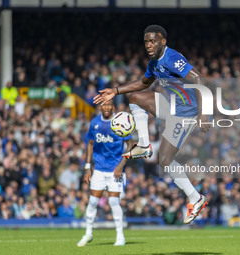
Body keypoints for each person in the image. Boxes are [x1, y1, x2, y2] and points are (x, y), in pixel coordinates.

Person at [93, 25, 211, 224]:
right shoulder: (154, 62)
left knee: (164, 160)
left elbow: (198, 78)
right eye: (146, 41)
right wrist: (116, 90)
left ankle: (195, 197)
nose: (148, 45)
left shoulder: (171, 57)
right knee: (135, 98)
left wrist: (204, 112)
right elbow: (144, 83)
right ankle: (144, 145)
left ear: (163, 41)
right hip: (172, 107)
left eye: (153, 41)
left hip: (186, 113)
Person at [77, 100, 133, 247]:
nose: (107, 107)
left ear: (113, 107)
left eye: (109, 105)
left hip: (115, 169)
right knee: (93, 201)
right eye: (104, 105)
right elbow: (90, 144)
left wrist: (121, 165)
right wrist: (88, 167)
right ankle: (88, 233)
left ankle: (120, 237)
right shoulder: (95, 123)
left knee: (114, 201)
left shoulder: (120, 121)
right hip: (100, 169)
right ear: (100, 107)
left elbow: (130, 144)